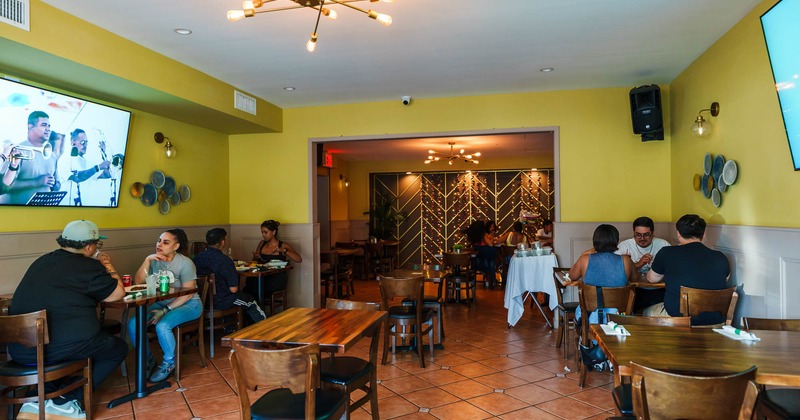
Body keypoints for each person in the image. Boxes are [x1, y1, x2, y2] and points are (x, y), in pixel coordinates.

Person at [9, 220, 127, 419]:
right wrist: (106, 263)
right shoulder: (88, 266)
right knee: (116, 347)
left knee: (66, 350)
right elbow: (117, 294)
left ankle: (40, 399)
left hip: (20, 350)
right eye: (97, 244)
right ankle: (70, 399)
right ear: (89, 246)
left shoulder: (42, 261)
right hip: (57, 349)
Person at [128, 228, 202, 382]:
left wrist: (165, 310)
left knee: (162, 325)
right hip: (160, 305)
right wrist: (147, 260)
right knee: (134, 324)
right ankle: (147, 358)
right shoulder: (154, 260)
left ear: (176, 246)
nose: (160, 244)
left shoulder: (185, 263)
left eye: (166, 242)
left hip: (189, 304)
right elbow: (138, 281)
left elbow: (188, 293)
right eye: (159, 241)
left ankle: (169, 362)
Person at [645, 214, 730, 323]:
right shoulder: (720, 257)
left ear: (678, 234)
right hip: (716, 320)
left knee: (646, 312)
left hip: (679, 318)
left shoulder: (667, 252)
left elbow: (652, 279)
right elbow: (725, 279)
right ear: (704, 234)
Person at [194, 228, 266, 325]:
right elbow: (234, 289)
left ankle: (230, 327)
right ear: (223, 242)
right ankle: (266, 328)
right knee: (250, 301)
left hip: (201, 300)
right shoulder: (224, 260)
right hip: (222, 301)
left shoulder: (197, 258)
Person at [569, 224, 634, 323]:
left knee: (581, 309)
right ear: (616, 241)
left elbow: (572, 276)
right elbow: (636, 278)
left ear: (595, 241)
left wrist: (583, 254)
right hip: (620, 318)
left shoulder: (585, 259)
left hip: (591, 318)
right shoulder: (626, 260)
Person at [0, 111, 58, 205]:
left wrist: (54, 183)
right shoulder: (16, 150)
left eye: (49, 126)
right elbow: (3, 186)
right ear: (31, 127)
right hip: (16, 213)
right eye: (43, 125)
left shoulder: (52, 155)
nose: (48, 129)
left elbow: (57, 184)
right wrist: (37, 182)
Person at [615, 216, 671, 312]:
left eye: (646, 235)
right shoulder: (624, 246)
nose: (642, 238)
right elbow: (616, 272)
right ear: (633, 233)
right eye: (638, 235)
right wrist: (637, 264)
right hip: (634, 290)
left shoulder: (663, 245)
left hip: (659, 290)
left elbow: (672, 269)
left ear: (653, 233)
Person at [56, 129, 112, 206]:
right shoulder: (66, 159)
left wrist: (104, 155)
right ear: (73, 143)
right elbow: (77, 178)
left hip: (83, 207)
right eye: (82, 142)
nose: (85, 145)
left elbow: (107, 175)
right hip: (67, 207)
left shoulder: (88, 163)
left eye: (86, 142)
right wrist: (98, 167)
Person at [250, 219, 301, 302]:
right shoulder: (262, 243)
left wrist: (284, 251)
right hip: (262, 276)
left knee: (255, 288)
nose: (263, 235)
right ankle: (254, 312)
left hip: (276, 279)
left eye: (265, 232)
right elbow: (254, 261)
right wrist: (255, 257)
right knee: (250, 285)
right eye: (262, 232)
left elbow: (298, 259)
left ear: (273, 232)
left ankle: (258, 312)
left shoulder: (283, 245)